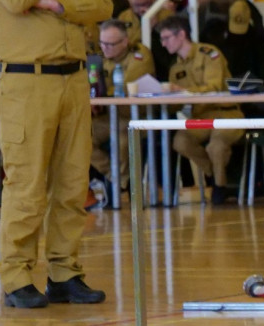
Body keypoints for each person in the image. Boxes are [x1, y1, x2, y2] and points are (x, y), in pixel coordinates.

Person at [0, 0, 112, 308]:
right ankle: (16, 276)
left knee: (73, 183)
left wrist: (56, 5)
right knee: (26, 184)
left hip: (75, 80)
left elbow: (104, 7)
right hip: (26, 79)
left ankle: (64, 273)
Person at [159, 15, 246, 205]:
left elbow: (213, 87)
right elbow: (177, 103)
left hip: (226, 113)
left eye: (166, 38)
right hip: (201, 116)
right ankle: (216, 175)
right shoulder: (175, 68)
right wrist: (164, 97)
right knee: (181, 141)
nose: (163, 44)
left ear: (181, 35)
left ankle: (219, 188)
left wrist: (183, 91)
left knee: (216, 145)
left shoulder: (209, 54)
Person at [91, 19, 155, 194]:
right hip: (110, 116)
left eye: (110, 44)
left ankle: (121, 185)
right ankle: (118, 179)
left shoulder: (139, 54)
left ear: (125, 42)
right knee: (81, 137)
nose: (105, 48)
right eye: (102, 43)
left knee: (123, 142)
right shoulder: (99, 57)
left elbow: (128, 86)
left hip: (136, 117)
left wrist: (103, 93)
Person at [119, 0, 176, 78]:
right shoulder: (124, 17)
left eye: (145, 4)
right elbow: (124, 46)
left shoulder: (166, 15)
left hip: (161, 64)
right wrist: (147, 30)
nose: (141, 9)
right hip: (134, 64)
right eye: (137, 6)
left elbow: (171, 50)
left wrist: (155, 28)